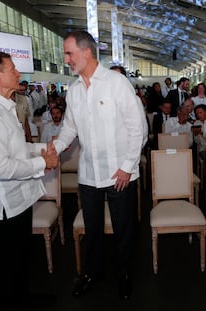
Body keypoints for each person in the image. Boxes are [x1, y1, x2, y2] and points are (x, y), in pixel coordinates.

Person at [53, 30, 146, 300]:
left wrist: (128, 166)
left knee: (123, 229)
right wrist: (55, 149)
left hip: (120, 172)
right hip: (89, 173)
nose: (66, 59)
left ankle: (125, 274)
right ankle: (92, 273)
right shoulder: (73, 90)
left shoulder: (116, 83)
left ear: (86, 52)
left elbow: (137, 128)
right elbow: (69, 128)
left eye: (69, 53)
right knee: (92, 230)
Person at [0, 51, 58, 311]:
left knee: (19, 260)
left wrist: (42, 150)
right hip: (4, 205)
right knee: (4, 270)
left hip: (19, 199)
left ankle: (22, 299)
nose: (18, 73)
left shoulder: (5, 107)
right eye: (12, 69)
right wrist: (43, 162)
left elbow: (15, 151)